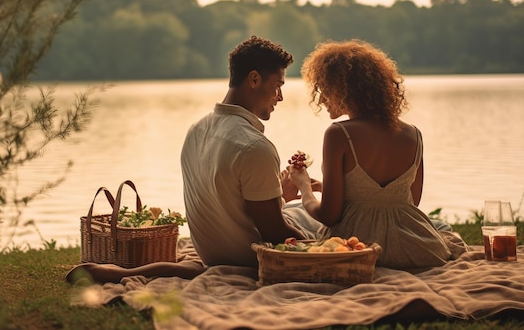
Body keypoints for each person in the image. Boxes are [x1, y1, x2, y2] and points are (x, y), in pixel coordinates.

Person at [66, 36, 321, 285]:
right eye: (278, 86)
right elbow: (275, 234)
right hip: (252, 258)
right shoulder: (255, 147)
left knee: (293, 209)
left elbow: (229, 205)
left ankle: (117, 272)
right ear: (254, 79)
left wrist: (281, 196)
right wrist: (322, 239)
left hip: (211, 254)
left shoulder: (196, 130)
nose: (280, 96)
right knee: (316, 220)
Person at [287, 39, 464, 270]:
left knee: (294, 212)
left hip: (357, 250)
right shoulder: (414, 135)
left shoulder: (339, 134)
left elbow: (329, 216)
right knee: (440, 227)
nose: (321, 99)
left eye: (324, 89)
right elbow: (407, 202)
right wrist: (325, 186)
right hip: (416, 248)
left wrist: (304, 188)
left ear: (343, 90)